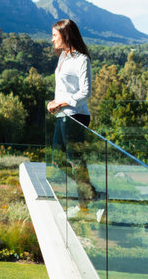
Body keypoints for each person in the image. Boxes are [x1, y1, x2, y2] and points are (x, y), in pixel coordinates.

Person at [46, 19, 96, 210]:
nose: (52, 40)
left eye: (54, 35)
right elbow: (64, 89)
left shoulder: (82, 59)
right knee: (58, 160)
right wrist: (54, 102)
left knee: (76, 161)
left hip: (76, 115)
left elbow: (85, 92)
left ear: (65, 35)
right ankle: (89, 193)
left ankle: (85, 203)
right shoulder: (63, 58)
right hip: (63, 115)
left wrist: (61, 102)